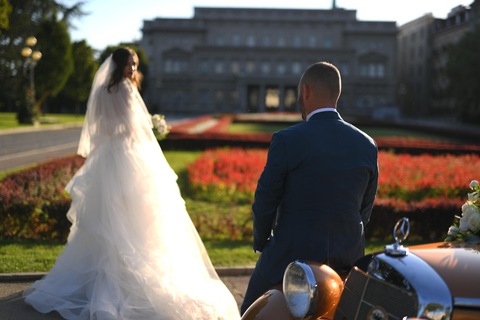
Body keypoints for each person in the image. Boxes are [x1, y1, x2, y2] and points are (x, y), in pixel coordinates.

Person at [23, 47, 240, 320]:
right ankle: (126, 277)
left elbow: (99, 129)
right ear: (118, 66)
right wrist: (151, 128)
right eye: (129, 64)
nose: (133, 69)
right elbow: (132, 128)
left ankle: (100, 278)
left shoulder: (102, 91)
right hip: (127, 156)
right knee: (136, 214)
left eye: (134, 64)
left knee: (109, 217)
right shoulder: (125, 90)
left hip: (106, 158)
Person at [240, 62, 379, 314]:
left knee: (249, 311)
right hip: (346, 261)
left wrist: (262, 241)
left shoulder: (286, 140)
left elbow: (265, 201)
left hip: (290, 260)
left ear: (305, 91)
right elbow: (364, 211)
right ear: (337, 93)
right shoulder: (367, 144)